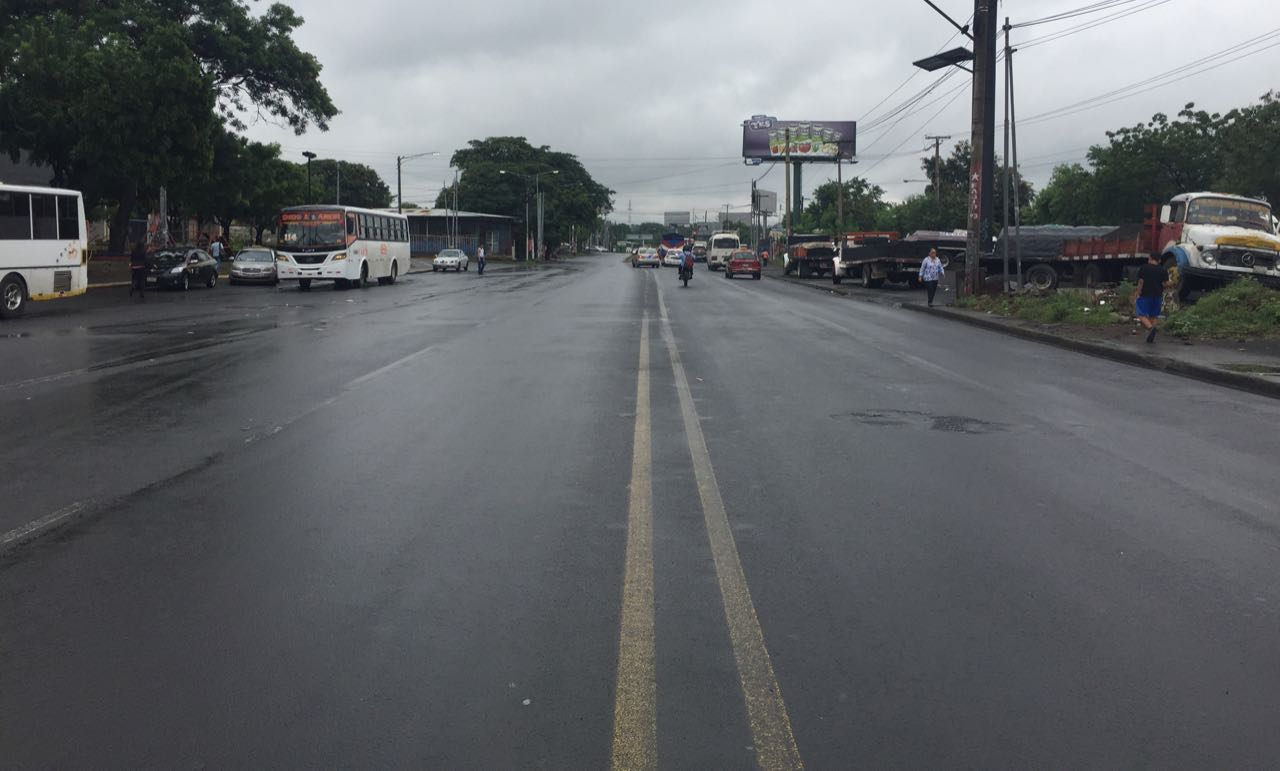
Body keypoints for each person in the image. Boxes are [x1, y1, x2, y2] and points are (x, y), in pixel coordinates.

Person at [1133, 253, 1169, 343]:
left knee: (1141, 313)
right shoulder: (1163, 270)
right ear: (1159, 260)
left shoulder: (1144, 268)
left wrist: (1138, 291)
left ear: (1150, 258)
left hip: (1145, 294)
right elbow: (1165, 284)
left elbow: (1141, 281)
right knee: (1154, 315)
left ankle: (1150, 328)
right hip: (1158, 295)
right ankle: (1151, 334)